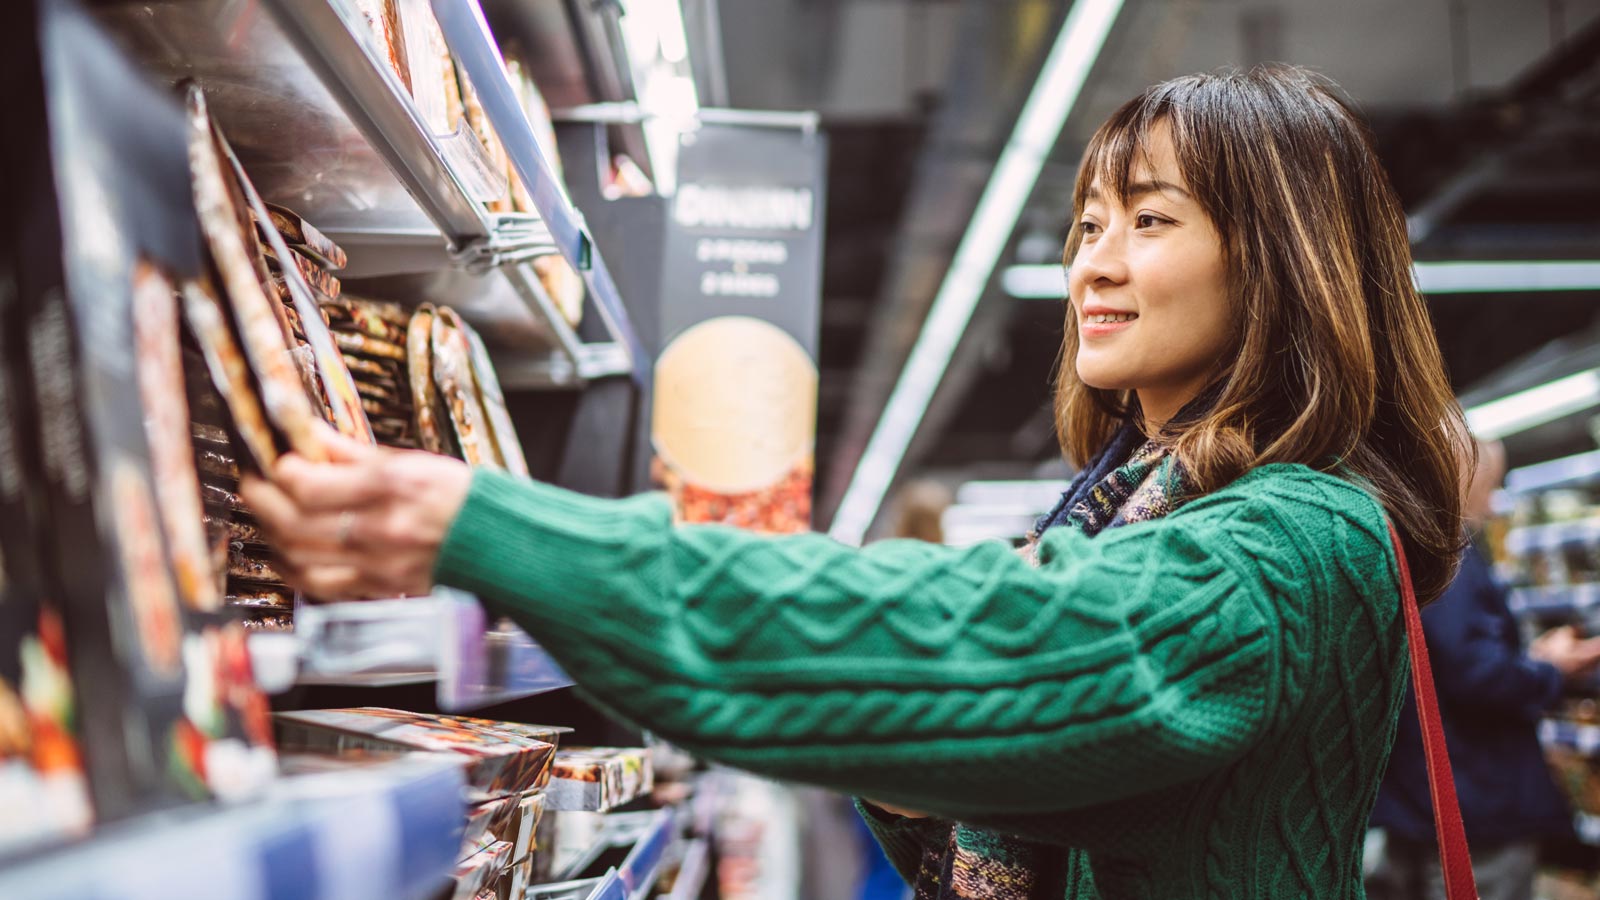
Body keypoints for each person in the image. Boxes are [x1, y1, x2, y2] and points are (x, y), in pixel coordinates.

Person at [242, 65, 1469, 898]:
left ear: (1284, 262)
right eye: (1087, 223)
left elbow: (983, 654)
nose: (1094, 261)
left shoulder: (1295, 542)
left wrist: (495, 525)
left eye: (1150, 220)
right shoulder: (1122, 507)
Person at [1367, 439, 1600, 900]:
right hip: (1475, 807)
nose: (1492, 506)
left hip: (1422, 804)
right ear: (1460, 479)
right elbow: (1478, 675)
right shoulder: (1445, 553)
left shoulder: (1399, 546)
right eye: (1487, 488)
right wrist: (1549, 670)